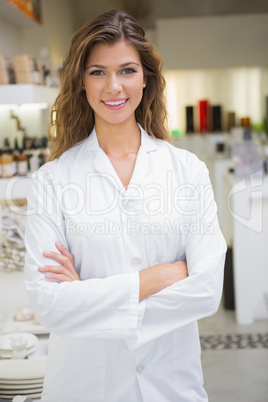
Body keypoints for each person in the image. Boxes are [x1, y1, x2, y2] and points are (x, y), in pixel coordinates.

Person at [24, 9, 227, 402]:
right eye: (98, 71)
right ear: (81, 81)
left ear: (146, 78)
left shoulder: (187, 171)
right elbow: (49, 304)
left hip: (170, 387)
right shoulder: (53, 180)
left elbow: (205, 289)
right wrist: (159, 277)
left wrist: (87, 297)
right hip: (84, 388)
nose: (113, 86)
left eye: (127, 70)